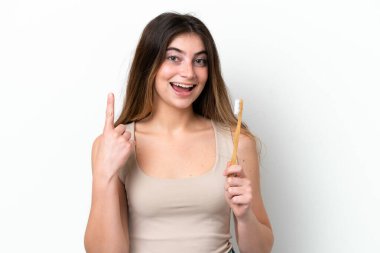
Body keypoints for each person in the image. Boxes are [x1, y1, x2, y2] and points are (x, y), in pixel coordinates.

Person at [84, 12, 274, 253]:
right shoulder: (114, 145)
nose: (189, 73)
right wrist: (105, 174)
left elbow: (260, 250)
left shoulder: (236, 142)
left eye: (200, 61)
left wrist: (245, 216)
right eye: (174, 58)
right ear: (149, 64)